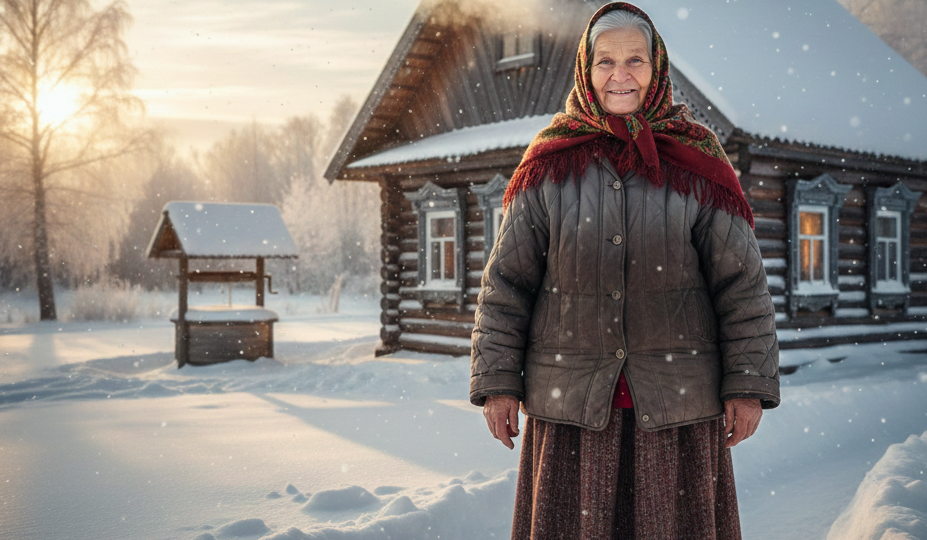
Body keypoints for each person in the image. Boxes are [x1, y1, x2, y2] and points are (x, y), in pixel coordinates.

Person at [469, 3, 780, 539]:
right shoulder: (548, 162)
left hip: (676, 408)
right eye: (605, 61)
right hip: (570, 407)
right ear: (585, 71)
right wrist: (497, 383)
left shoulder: (696, 159)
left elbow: (742, 286)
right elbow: (507, 285)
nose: (621, 75)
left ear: (656, 68)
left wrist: (747, 386)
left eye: (635, 59)